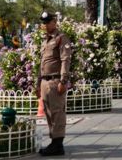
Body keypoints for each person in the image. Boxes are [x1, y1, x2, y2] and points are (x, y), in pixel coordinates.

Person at [36, 12, 73, 156]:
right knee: (48, 112)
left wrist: (63, 80)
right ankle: (54, 141)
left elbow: (65, 60)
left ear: (54, 22)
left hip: (56, 80)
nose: (45, 25)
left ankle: (58, 144)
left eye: (47, 22)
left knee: (57, 112)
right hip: (45, 81)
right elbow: (42, 64)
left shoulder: (61, 38)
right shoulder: (45, 41)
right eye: (43, 23)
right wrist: (38, 83)